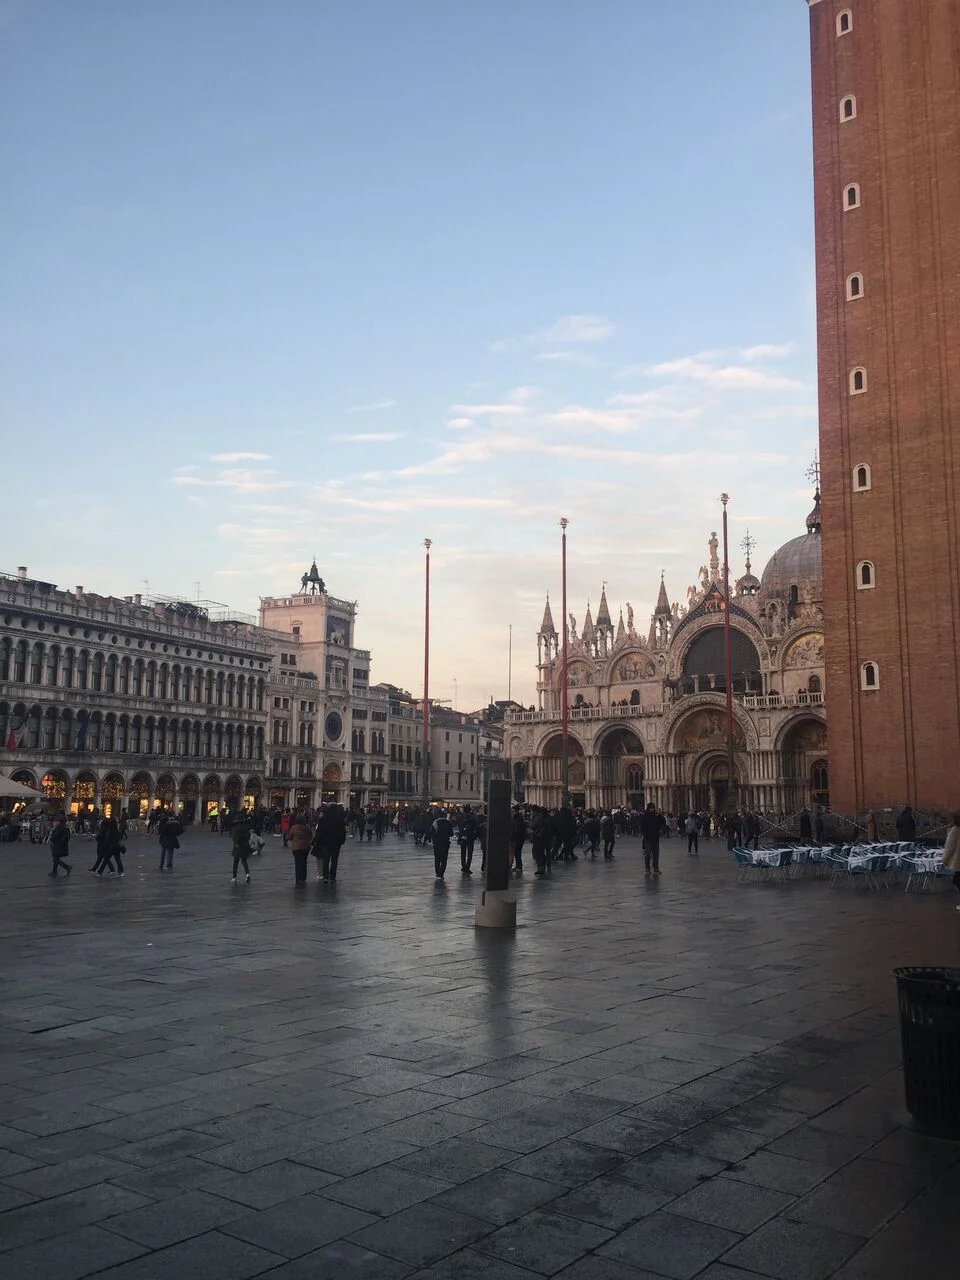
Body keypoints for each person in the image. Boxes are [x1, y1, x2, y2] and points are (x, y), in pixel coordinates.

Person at [288, 812, 312, 883]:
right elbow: (310, 836)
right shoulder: (306, 827)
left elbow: (289, 837)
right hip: (306, 847)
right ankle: (303, 877)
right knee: (304, 862)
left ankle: (298, 878)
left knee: (298, 863)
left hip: (297, 847)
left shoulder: (294, 827)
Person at [943, 813, 960, 911]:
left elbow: (949, 847)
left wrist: (945, 860)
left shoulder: (955, 831)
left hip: (958, 862)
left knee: (957, 880)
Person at [640, 802, 661, 875]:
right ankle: (647, 868)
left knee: (655, 855)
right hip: (648, 838)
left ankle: (655, 868)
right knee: (648, 854)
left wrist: (659, 815)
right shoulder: (645, 816)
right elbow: (642, 826)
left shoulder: (656, 816)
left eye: (653, 808)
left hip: (654, 838)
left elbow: (661, 823)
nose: (652, 809)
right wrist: (644, 834)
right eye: (651, 808)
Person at [231, 814, 253, 884]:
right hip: (245, 846)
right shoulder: (246, 828)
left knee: (235, 862)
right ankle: (247, 874)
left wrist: (236, 844)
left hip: (237, 846)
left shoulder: (234, 829)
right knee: (244, 861)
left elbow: (234, 839)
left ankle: (234, 877)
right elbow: (248, 837)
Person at [432, 811, 454, 880]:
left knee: (437, 858)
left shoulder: (435, 822)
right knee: (444, 860)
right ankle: (441, 874)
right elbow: (451, 834)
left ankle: (437, 872)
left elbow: (432, 832)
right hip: (445, 843)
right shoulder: (448, 823)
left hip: (437, 843)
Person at [458, 805, 478, 875]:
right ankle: (467, 867)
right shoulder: (473, 817)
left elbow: (458, 826)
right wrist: (475, 836)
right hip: (470, 837)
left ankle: (463, 866)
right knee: (470, 854)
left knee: (463, 853)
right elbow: (476, 826)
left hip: (463, 836)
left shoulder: (460, 817)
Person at [510, 806, 526, 874]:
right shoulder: (517, 817)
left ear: (516, 811)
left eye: (513, 811)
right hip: (518, 837)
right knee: (517, 852)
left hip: (519, 838)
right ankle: (518, 866)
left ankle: (519, 866)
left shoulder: (518, 818)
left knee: (518, 852)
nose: (512, 812)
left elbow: (518, 828)